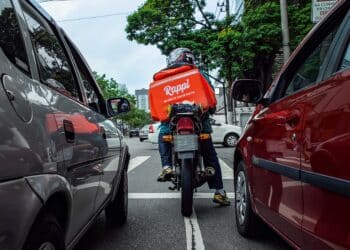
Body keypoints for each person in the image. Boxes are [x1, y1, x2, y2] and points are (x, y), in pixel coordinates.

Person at [156, 48, 230, 206]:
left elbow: (158, 103)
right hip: (200, 124)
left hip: (171, 125)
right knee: (210, 155)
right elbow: (211, 101)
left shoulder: (165, 77)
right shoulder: (199, 74)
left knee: (163, 135)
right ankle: (219, 192)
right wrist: (209, 109)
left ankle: (167, 166)